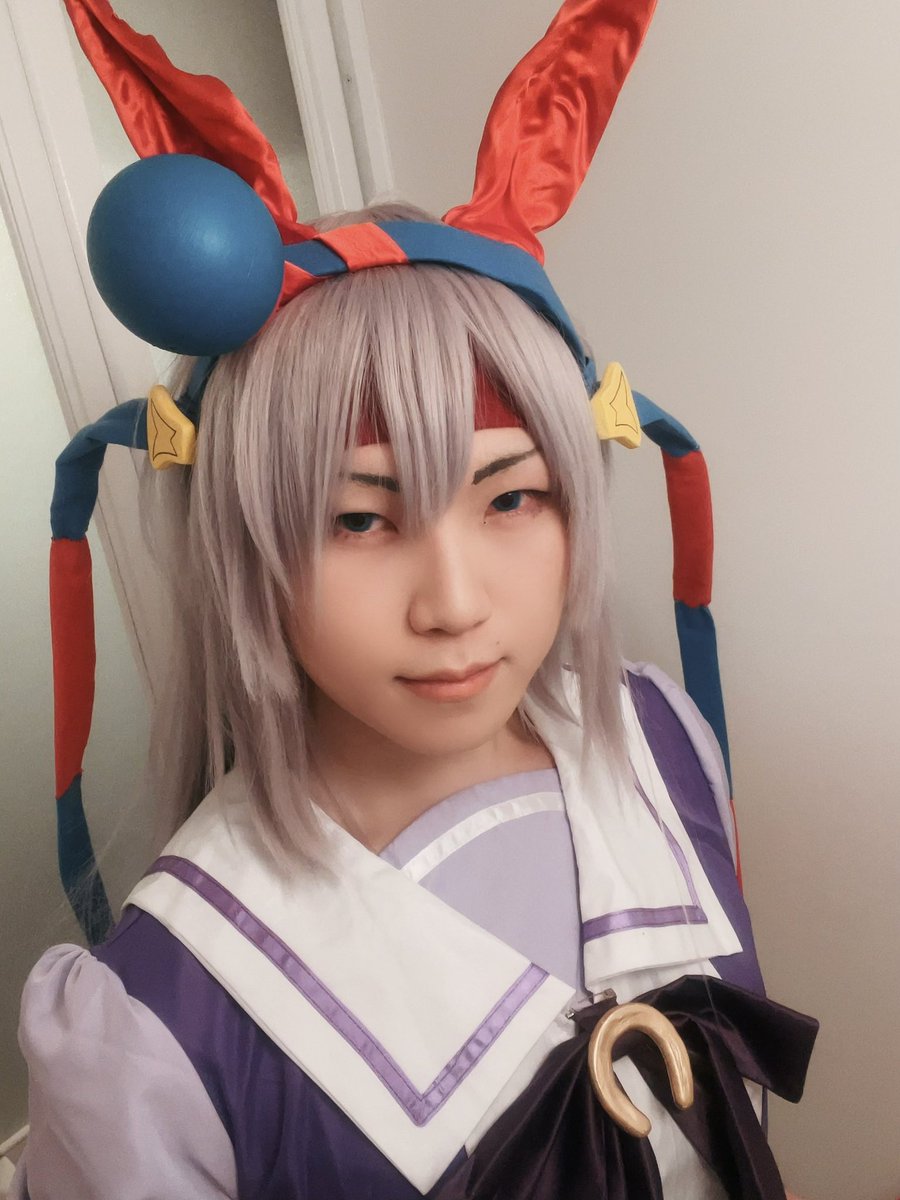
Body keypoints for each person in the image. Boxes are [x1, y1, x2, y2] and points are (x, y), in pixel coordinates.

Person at [13, 1, 817, 1197]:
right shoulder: (152, 1028)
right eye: (358, 519)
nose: (454, 602)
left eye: (512, 498)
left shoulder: (659, 739)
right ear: (239, 547)